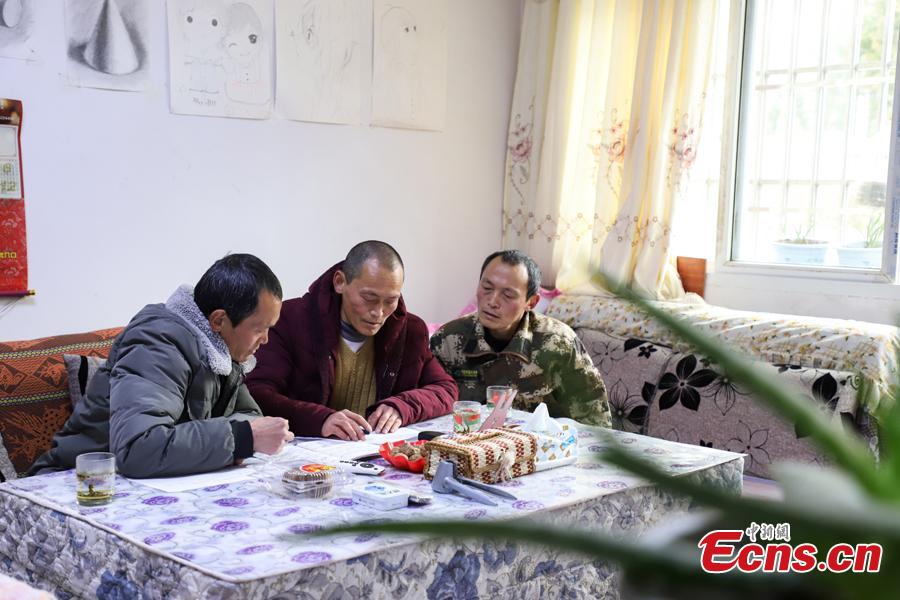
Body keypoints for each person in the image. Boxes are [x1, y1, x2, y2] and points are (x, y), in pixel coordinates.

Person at [30, 254, 293, 478]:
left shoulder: (222, 352)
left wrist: (243, 434)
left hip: (142, 484)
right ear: (219, 320)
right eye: (259, 329)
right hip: (77, 483)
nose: (266, 340)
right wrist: (240, 439)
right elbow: (138, 448)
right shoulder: (156, 344)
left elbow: (248, 414)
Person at [246, 241, 457, 440]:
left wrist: (402, 406)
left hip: (373, 455)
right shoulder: (290, 320)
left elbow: (446, 389)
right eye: (369, 299)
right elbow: (258, 394)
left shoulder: (410, 330)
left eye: (390, 301)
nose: (378, 312)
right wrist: (321, 419)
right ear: (340, 282)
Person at [430, 250, 612, 427]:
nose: (492, 301)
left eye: (507, 295)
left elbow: (595, 421)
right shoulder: (448, 340)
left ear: (531, 302)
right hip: (470, 449)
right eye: (486, 288)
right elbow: (431, 408)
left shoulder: (558, 343)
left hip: (543, 450)